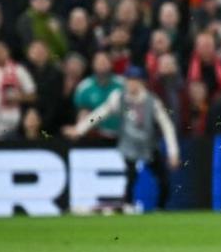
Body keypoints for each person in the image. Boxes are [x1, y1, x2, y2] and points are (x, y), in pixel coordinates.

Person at [65, 67, 181, 212]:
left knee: (163, 179)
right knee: (131, 176)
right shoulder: (118, 98)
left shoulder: (152, 101)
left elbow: (167, 126)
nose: (132, 84)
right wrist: (80, 129)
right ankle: (127, 205)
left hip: (148, 145)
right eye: (129, 80)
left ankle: (160, 208)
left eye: (135, 81)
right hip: (129, 145)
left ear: (142, 83)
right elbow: (100, 114)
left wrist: (173, 153)